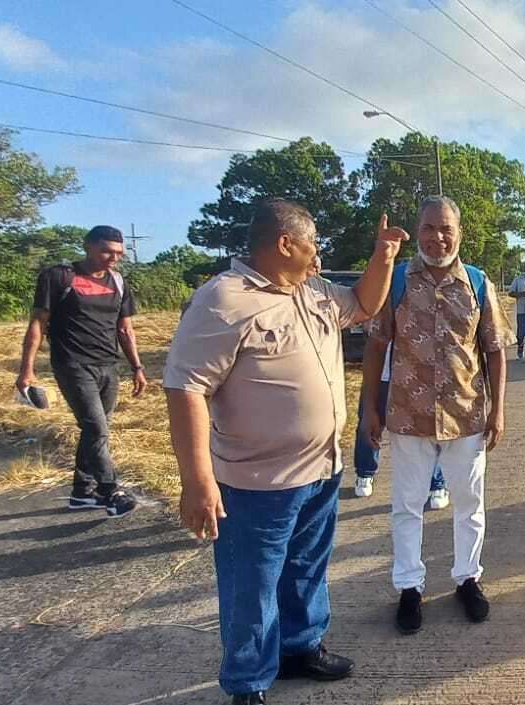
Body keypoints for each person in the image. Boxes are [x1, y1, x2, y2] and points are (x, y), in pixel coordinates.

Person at [164, 199, 406, 704]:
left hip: (320, 470)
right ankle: (248, 682)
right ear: (285, 244)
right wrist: (197, 479)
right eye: (313, 242)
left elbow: (364, 304)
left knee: (306, 569)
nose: (318, 252)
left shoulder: (311, 290)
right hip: (256, 485)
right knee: (251, 586)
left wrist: (383, 255)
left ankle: (300, 648)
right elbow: (186, 388)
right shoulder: (221, 300)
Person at [363, 196, 508, 636]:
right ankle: (409, 588)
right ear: (418, 230)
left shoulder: (479, 284)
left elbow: (496, 350)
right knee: (407, 506)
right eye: (428, 228)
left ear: (459, 233)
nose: (437, 237)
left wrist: (498, 409)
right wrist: (370, 406)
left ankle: (468, 578)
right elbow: (376, 345)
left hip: (466, 415)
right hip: (409, 415)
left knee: (469, 504)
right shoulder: (400, 280)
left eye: (445, 228)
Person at [16, 225, 146, 517]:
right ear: (87, 246)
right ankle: (110, 490)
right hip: (72, 364)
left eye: (118, 254)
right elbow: (38, 323)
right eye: (106, 251)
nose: (113, 258)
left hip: (108, 365)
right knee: (96, 427)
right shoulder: (59, 277)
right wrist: (27, 371)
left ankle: (82, 492)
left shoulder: (118, 281)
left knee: (96, 430)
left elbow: (125, 329)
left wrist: (137, 367)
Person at [352, 341, 449, 508]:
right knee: (369, 422)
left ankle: (437, 483)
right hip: (382, 373)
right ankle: (364, 471)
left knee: (429, 427)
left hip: (418, 375)